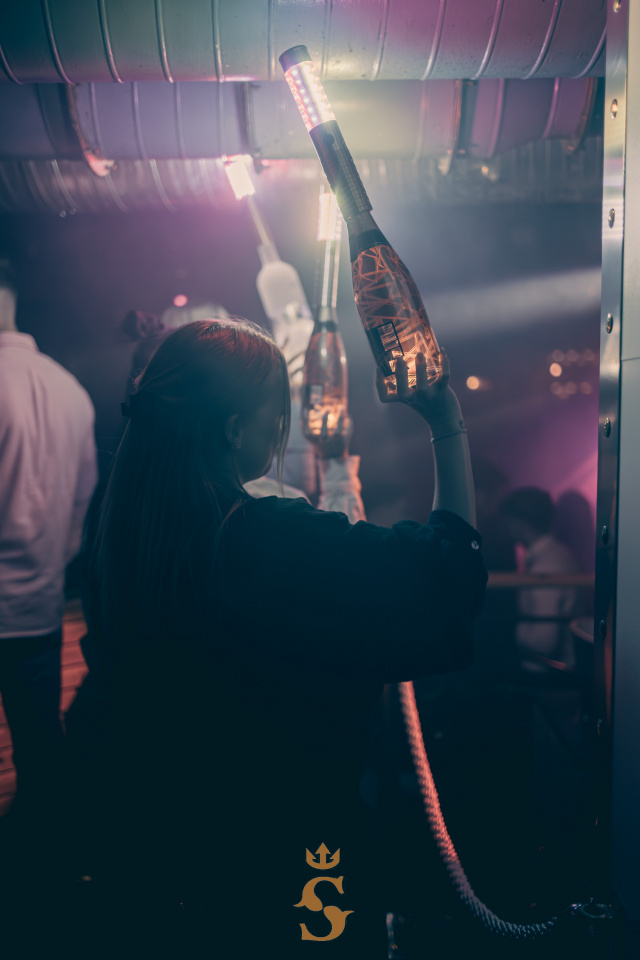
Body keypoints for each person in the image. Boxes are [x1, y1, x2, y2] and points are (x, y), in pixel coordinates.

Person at [84, 319, 486, 958]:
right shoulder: (262, 539)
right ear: (234, 430)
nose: (281, 433)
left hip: (168, 851)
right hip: (299, 859)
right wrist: (446, 422)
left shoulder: (125, 537)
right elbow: (444, 575)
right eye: (279, 418)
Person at [0, 261, 97, 821]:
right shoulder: (70, 389)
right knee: (40, 745)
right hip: (40, 603)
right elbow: (81, 505)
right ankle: (51, 845)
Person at [500, 487, 583, 671]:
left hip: (548, 675)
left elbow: (542, 642)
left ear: (517, 522)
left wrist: (506, 631)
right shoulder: (557, 555)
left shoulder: (546, 566)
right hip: (555, 671)